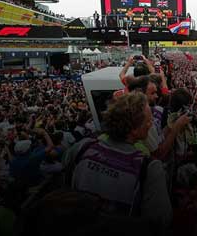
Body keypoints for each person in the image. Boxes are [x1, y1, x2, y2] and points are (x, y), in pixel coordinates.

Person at [62, 92, 173, 232]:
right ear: (134, 129)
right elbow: (161, 221)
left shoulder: (82, 148)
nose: (151, 125)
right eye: (149, 121)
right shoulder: (149, 168)